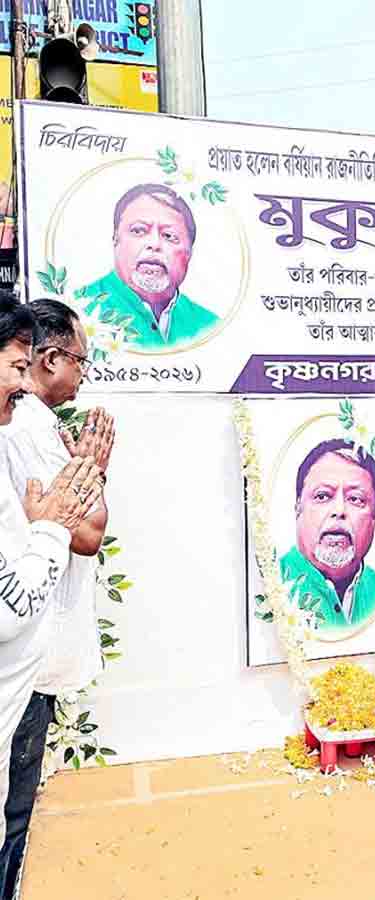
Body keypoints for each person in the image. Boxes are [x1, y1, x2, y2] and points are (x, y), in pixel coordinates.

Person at [0, 299, 115, 899]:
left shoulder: (32, 424)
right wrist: (91, 474)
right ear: (47, 359)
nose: (83, 374)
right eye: (80, 361)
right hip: (19, 646)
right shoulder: (25, 427)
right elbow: (87, 534)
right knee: (13, 811)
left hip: (27, 639)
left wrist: (88, 478)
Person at [76, 183, 219, 349]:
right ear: (116, 239)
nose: (154, 244)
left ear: (189, 251)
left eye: (169, 235)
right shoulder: (77, 310)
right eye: (139, 231)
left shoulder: (210, 326)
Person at [280, 439, 375, 634]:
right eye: (322, 496)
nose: (339, 511)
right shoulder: (269, 584)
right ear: (298, 509)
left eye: (355, 499)